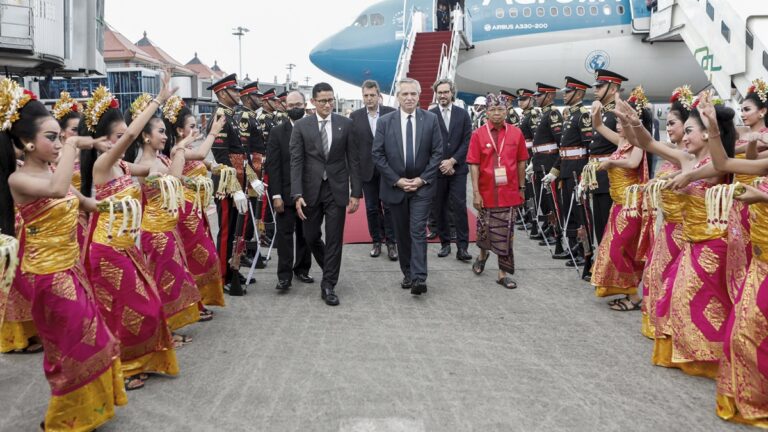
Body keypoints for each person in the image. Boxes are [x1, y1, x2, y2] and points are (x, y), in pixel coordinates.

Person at [0, 79, 127, 430]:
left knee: (96, 340)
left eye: (59, 137)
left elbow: (86, 203)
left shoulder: (54, 172)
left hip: (72, 271)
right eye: (51, 137)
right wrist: (74, 142)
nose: (58, 143)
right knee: (71, 349)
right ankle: (61, 422)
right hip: (47, 277)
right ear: (27, 143)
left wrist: (119, 203)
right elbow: (58, 192)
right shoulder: (19, 179)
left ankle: (87, 411)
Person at [618, 91, 736, 376]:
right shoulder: (686, 158)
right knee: (671, 295)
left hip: (712, 244)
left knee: (700, 302)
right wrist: (634, 121)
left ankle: (712, 358)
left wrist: (689, 174)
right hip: (691, 242)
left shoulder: (717, 164)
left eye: (690, 131)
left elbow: (714, 168)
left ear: (708, 135)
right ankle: (691, 353)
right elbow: (648, 143)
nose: (683, 137)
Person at [79, 81, 179, 391]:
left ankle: (132, 362)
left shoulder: (124, 165)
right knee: (126, 311)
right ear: (104, 140)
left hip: (126, 248)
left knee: (146, 306)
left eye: (125, 136)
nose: (124, 141)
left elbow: (159, 173)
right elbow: (135, 135)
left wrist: (180, 152)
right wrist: (159, 99)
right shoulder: (102, 165)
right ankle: (122, 368)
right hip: (106, 249)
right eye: (119, 137)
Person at [695, 91, 768, 426]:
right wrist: (711, 124)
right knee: (741, 333)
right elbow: (723, 164)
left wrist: (759, 197)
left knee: (750, 333)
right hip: (759, 262)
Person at [124, 94, 202, 334]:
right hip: (156, 232)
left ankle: (169, 328)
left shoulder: (161, 159)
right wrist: (180, 148)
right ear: (146, 136)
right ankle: (164, 331)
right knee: (163, 281)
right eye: (160, 131)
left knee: (174, 278)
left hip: (168, 229)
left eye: (165, 131)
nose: (165, 136)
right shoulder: (146, 164)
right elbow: (175, 181)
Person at [290, 82, 362, 306]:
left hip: (337, 189)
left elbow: (354, 160)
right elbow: (296, 161)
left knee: (334, 239)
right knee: (310, 236)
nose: (328, 104)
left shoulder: (346, 124)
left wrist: (356, 192)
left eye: (331, 100)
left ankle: (329, 283)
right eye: (323, 101)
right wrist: (297, 193)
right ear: (313, 102)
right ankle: (329, 265)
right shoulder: (302, 126)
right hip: (310, 190)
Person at [372, 78, 443, 296]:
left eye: (413, 94)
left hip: (422, 187)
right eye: (405, 94)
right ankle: (408, 273)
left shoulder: (431, 120)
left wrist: (422, 179)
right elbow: (377, 154)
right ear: (398, 97)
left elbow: (437, 153)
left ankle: (419, 278)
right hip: (396, 188)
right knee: (402, 233)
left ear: (419, 95)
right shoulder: (385, 122)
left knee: (417, 231)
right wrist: (397, 180)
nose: (409, 98)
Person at [163, 97, 227, 317]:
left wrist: (216, 167)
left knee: (201, 257)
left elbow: (203, 161)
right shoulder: (176, 150)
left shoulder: (188, 148)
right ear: (180, 130)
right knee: (199, 257)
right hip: (184, 212)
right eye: (191, 127)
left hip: (196, 210)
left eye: (196, 126)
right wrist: (213, 132)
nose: (195, 130)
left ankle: (198, 303)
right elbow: (200, 155)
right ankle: (192, 305)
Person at [589, 88, 649, 310]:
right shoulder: (620, 142)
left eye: (622, 122)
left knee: (618, 249)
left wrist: (612, 163)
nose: (617, 125)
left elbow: (633, 164)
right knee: (615, 249)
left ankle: (632, 295)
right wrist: (597, 109)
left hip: (631, 205)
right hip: (618, 203)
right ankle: (628, 292)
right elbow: (598, 126)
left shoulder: (637, 144)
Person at [467, 93, 528, 289]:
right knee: (485, 230)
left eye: (500, 109)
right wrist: (476, 192)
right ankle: (483, 255)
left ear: (507, 110)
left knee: (506, 233)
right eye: (492, 110)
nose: (496, 114)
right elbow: (474, 164)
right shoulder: (478, 134)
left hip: (509, 192)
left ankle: (503, 274)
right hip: (486, 192)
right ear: (486, 112)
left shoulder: (516, 133)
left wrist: (521, 187)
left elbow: (521, 161)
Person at [267, 91, 325, 291]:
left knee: (306, 234)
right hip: (284, 193)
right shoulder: (277, 132)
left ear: (306, 104)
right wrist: (276, 195)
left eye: (298, 104)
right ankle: (284, 276)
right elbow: (273, 167)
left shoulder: (314, 128)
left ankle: (302, 269)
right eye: (290, 105)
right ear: (285, 107)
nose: (294, 108)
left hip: (308, 193)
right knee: (284, 236)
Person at [206, 73, 251, 293]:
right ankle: (222, 275)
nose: (238, 93)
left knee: (235, 229)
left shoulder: (230, 115)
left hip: (236, 177)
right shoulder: (220, 116)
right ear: (222, 93)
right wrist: (233, 187)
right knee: (226, 231)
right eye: (234, 90)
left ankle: (233, 269)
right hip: (226, 182)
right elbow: (221, 155)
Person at [544, 76, 593, 267]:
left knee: (581, 213)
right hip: (566, 170)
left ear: (579, 93)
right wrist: (554, 172)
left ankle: (585, 251)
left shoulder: (583, 115)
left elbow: (589, 148)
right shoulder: (570, 116)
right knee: (569, 212)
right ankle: (572, 247)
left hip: (577, 171)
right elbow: (563, 149)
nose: (564, 95)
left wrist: (586, 177)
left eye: (569, 92)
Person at [350, 80, 397, 260]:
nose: (369, 99)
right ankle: (376, 242)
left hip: (387, 170)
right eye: (366, 96)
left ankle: (391, 243)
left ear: (379, 96)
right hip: (367, 171)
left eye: (372, 95)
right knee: (371, 208)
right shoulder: (355, 117)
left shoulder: (391, 113)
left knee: (389, 207)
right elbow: (353, 148)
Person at [430, 78, 472, 261]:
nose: (443, 95)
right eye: (440, 92)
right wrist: (443, 164)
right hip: (438, 171)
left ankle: (462, 247)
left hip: (458, 170)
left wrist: (453, 161)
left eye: (446, 92)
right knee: (439, 208)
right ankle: (445, 243)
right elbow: (428, 144)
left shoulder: (463, 114)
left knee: (459, 207)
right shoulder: (430, 115)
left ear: (452, 93)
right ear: (436, 94)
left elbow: (467, 141)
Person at [588, 69, 628, 244]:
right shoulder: (604, 111)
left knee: (609, 228)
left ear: (613, 89)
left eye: (600, 86)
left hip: (611, 177)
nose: (595, 90)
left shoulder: (619, 112)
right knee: (600, 227)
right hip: (598, 176)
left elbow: (626, 143)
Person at [530, 82, 563, 252]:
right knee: (541, 199)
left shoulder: (553, 114)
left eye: (539, 95)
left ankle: (555, 231)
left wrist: (555, 169)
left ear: (549, 96)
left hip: (548, 163)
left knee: (550, 201)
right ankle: (550, 226)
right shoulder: (544, 114)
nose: (536, 98)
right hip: (539, 162)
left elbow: (560, 144)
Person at [517, 88, 540, 236]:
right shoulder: (524, 115)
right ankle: (529, 216)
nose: (520, 102)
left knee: (531, 190)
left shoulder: (532, 116)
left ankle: (533, 219)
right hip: (523, 155)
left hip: (530, 155)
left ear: (531, 100)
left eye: (524, 99)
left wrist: (532, 159)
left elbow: (536, 139)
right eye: (520, 99)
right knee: (525, 188)